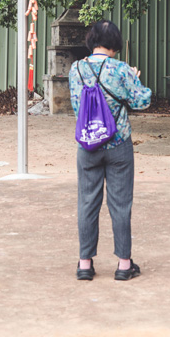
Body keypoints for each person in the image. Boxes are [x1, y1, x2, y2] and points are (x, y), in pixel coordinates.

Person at [68, 20, 152, 282]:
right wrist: (135, 80)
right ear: (114, 43)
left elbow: (75, 106)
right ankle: (124, 265)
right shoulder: (121, 69)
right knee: (120, 204)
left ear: (91, 41)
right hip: (118, 145)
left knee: (87, 203)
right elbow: (143, 101)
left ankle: (84, 264)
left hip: (88, 144)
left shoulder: (76, 69)